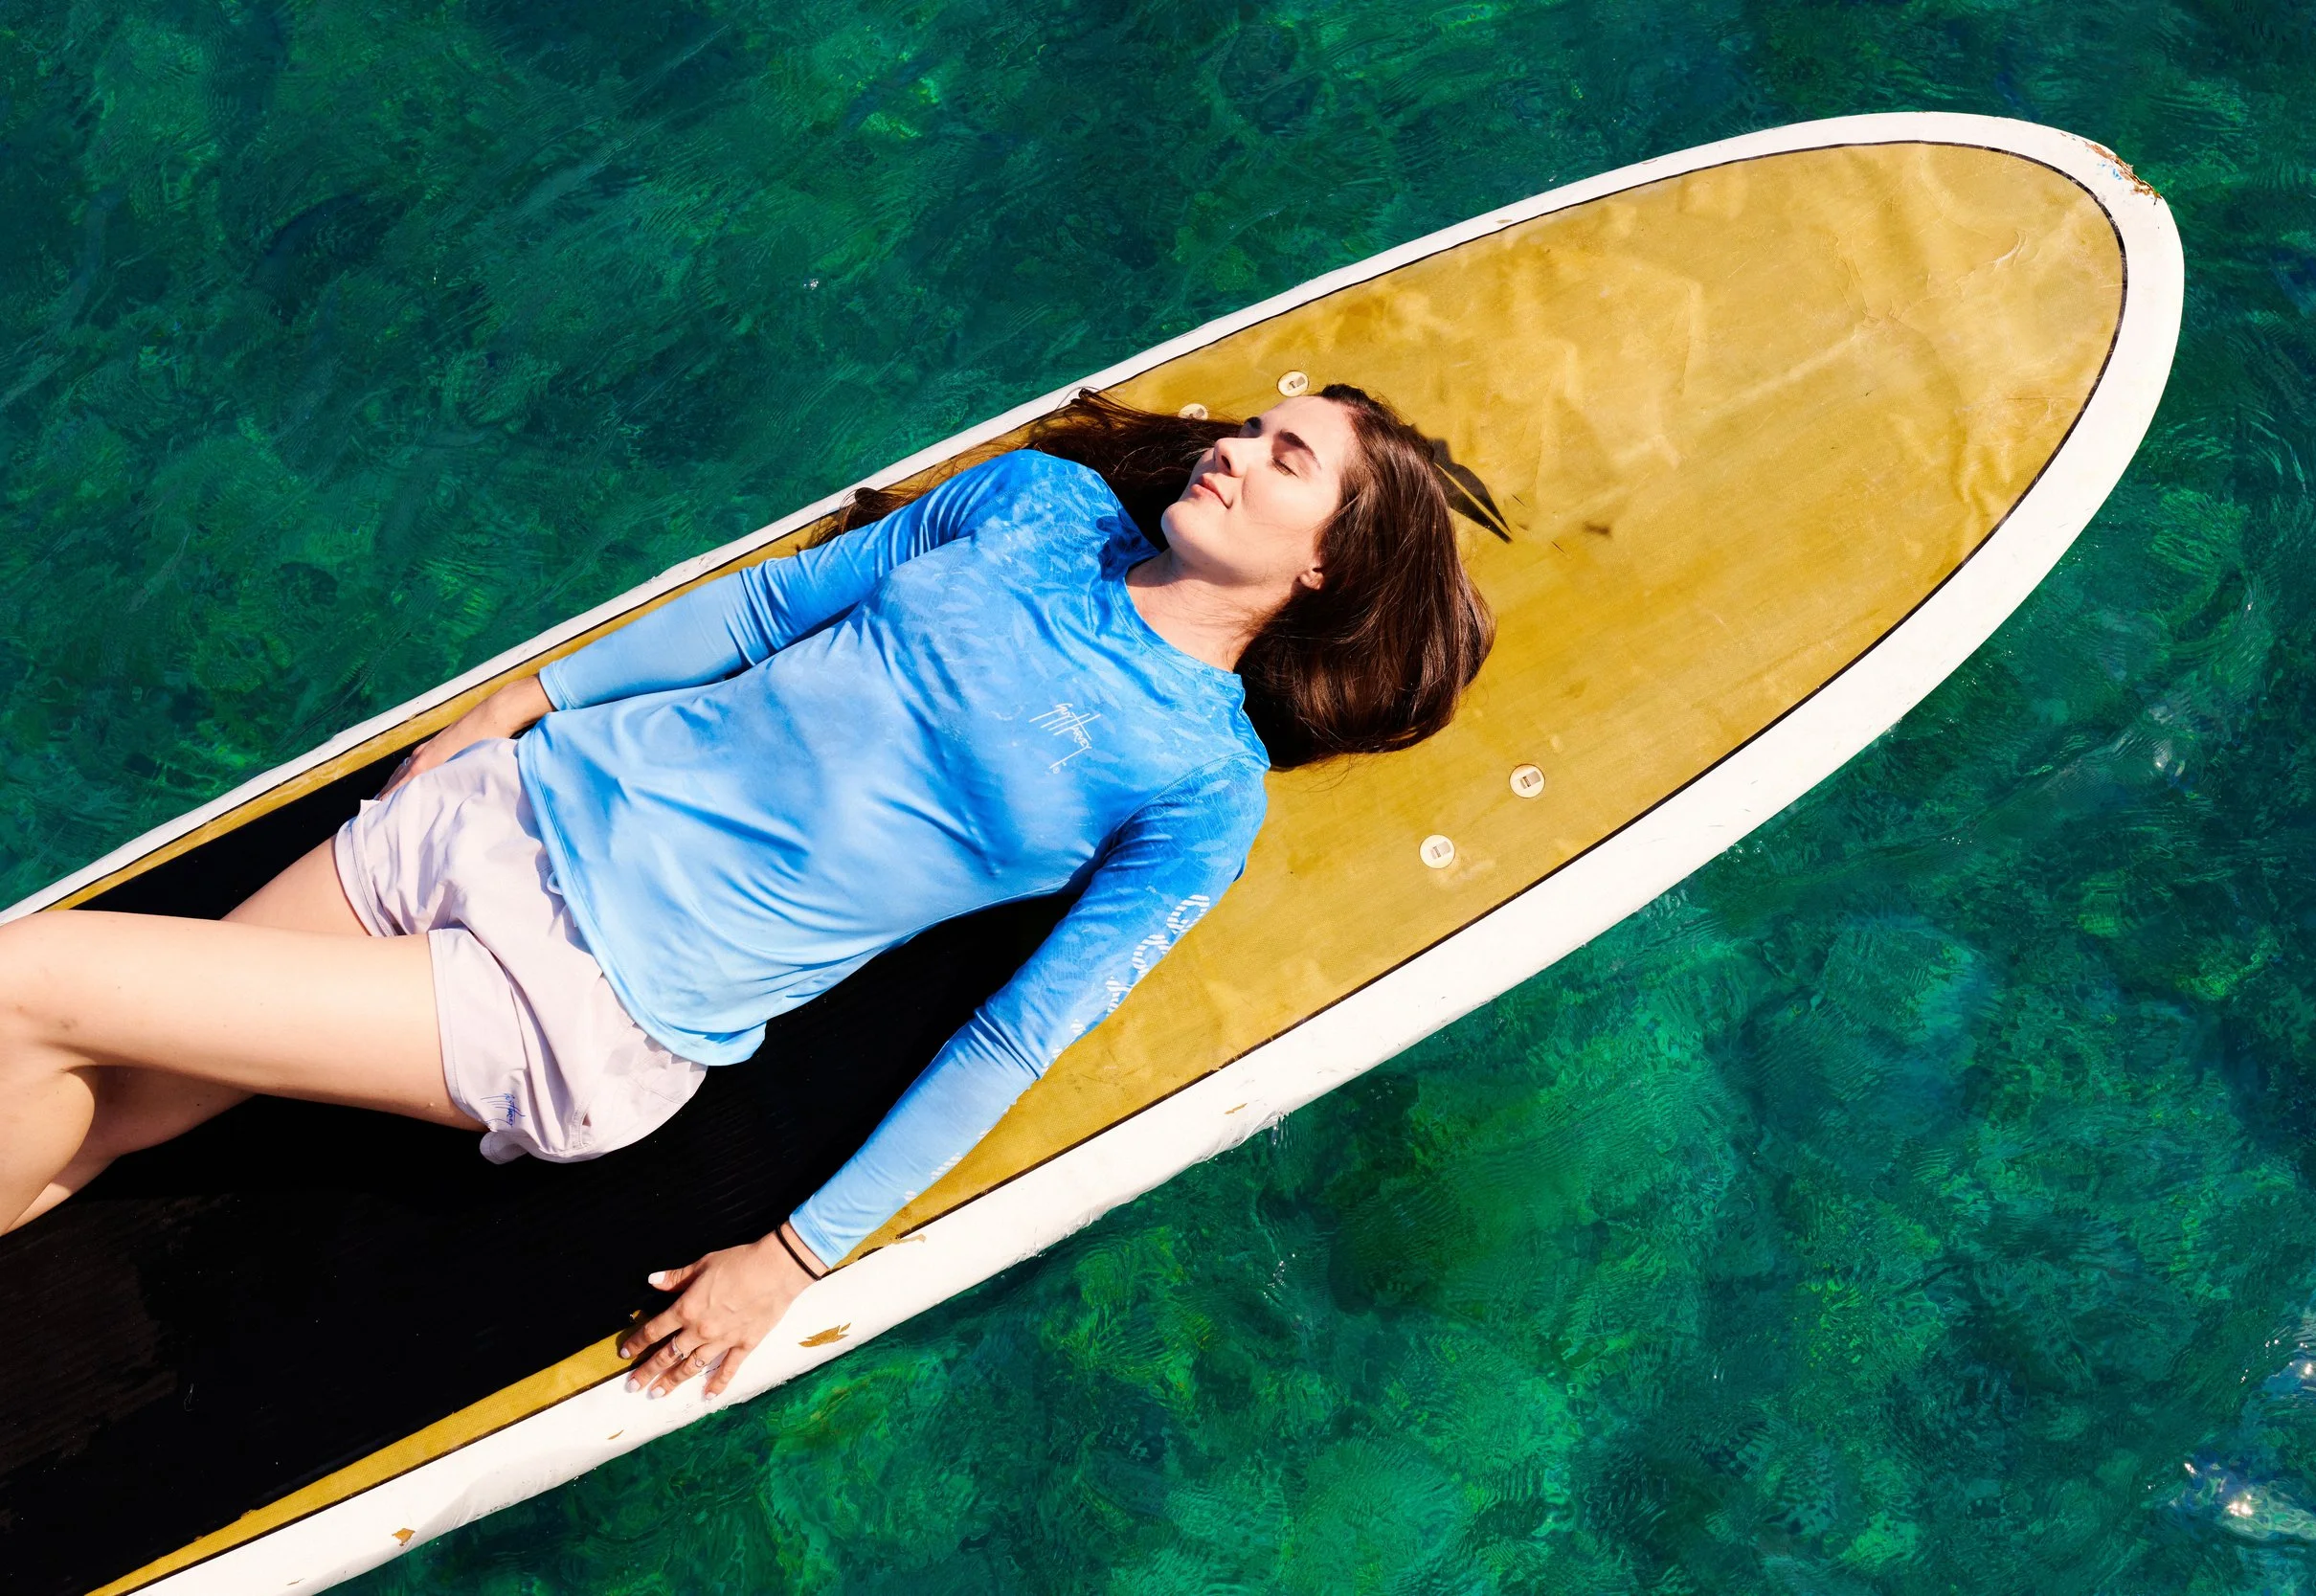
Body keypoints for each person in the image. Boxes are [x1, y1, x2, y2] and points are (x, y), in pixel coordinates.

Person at [0, 385, 1493, 1399]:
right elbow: (767, 607)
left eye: (1287, 461)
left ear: (1326, 570)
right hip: (504, 809)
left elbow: (1010, 1035)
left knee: (30, 978)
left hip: (585, 996)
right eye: (1253, 427)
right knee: (113, 1094)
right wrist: (519, 700)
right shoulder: (1033, 505)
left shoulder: (1196, 783)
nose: (1233, 448)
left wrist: (792, 1257)